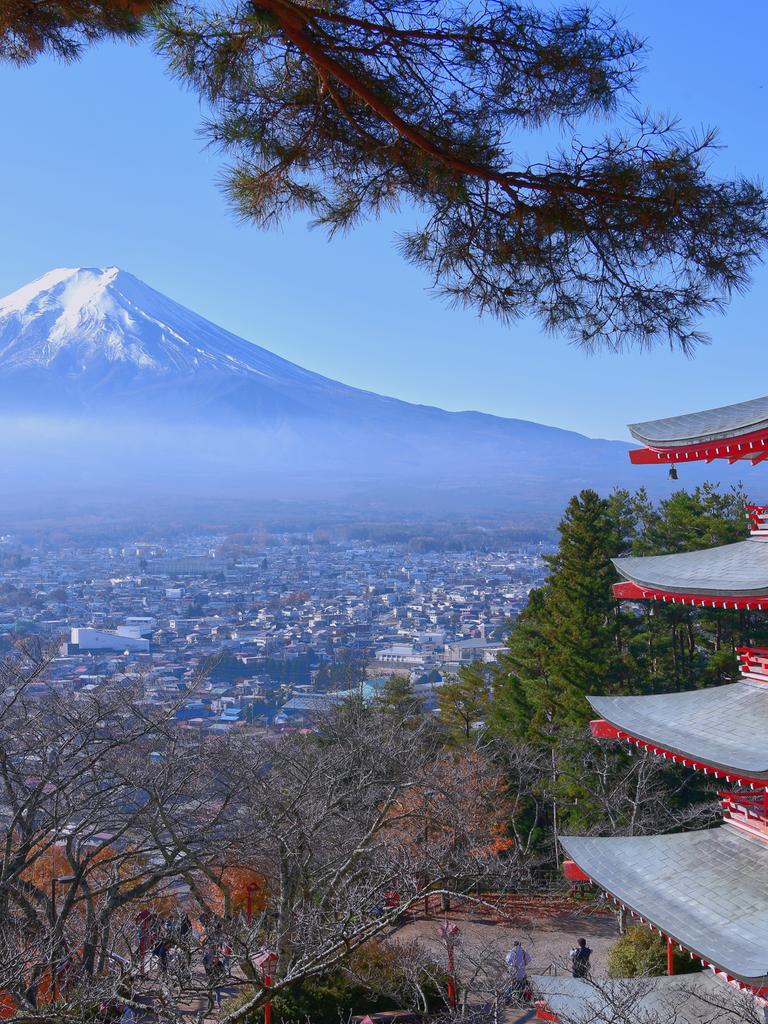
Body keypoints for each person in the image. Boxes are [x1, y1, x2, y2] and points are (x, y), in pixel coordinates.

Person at [505, 939, 531, 1005]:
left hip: (513, 973)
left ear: (514, 945)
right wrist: (523, 963)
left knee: (511, 987)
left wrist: (512, 965)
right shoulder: (523, 951)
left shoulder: (512, 951)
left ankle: (507, 1001)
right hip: (521, 973)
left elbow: (508, 960)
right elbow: (529, 959)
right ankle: (519, 1001)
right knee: (521, 987)